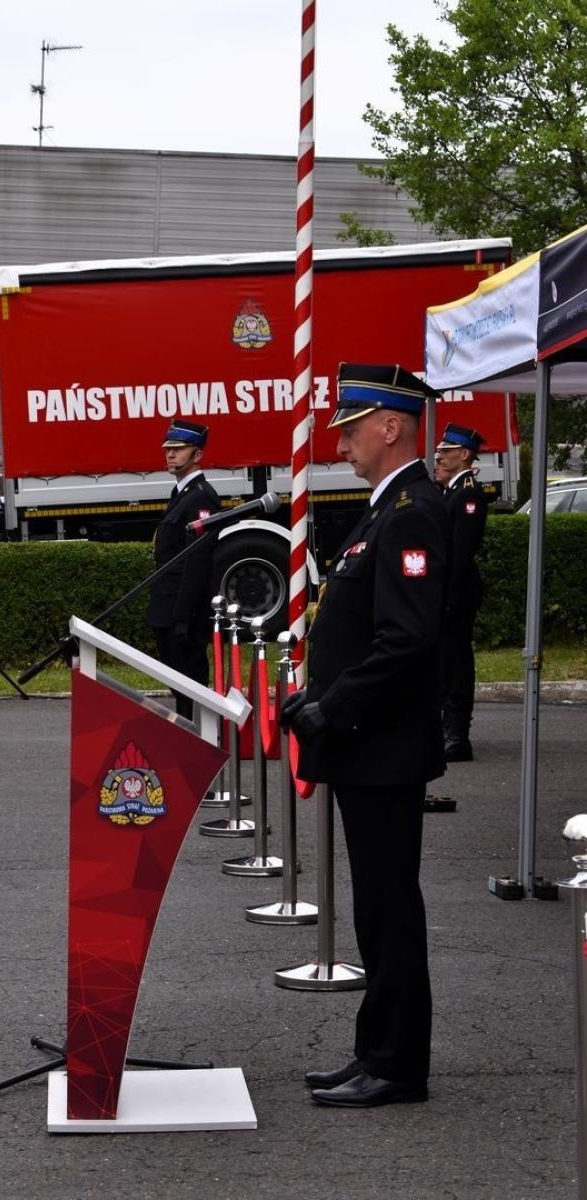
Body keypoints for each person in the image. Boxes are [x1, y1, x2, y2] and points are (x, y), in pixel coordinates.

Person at [280, 362, 449, 1109]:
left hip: (380, 747)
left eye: (352, 429)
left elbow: (406, 639)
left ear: (391, 427)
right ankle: (373, 1051)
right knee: (375, 907)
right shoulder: (387, 510)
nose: (341, 441)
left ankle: (398, 1066)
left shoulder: (412, 511)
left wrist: (332, 707)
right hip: (366, 747)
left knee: (389, 906)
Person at [147, 419, 221, 719]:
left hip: (183, 613)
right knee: (180, 686)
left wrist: (182, 618)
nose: (171, 455)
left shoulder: (200, 496)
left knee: (190, 685)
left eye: (179, 449)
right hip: (170, 607)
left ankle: (198, 744)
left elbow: (197, 562)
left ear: (197, 455)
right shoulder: (182, 493)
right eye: (168, 449)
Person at [433, 423, 488, 761]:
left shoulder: (467, 493)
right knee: (445, 662)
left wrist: (449, 599)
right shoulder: (450, 490)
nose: (439, 454)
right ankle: (446, 728)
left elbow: (461, 553)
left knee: (456, 664)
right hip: (448, 592)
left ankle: (457, 735)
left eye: (446, 450)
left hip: (458, 593)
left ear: (464, 454)